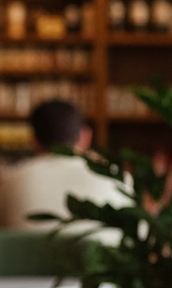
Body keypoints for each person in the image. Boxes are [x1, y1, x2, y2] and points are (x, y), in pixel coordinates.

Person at [0, 99, 127, 230]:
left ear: (34, 141)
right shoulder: (116, 177)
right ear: (86, 137)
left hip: (28, 251)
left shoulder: (9, 182)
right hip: (98, 250)